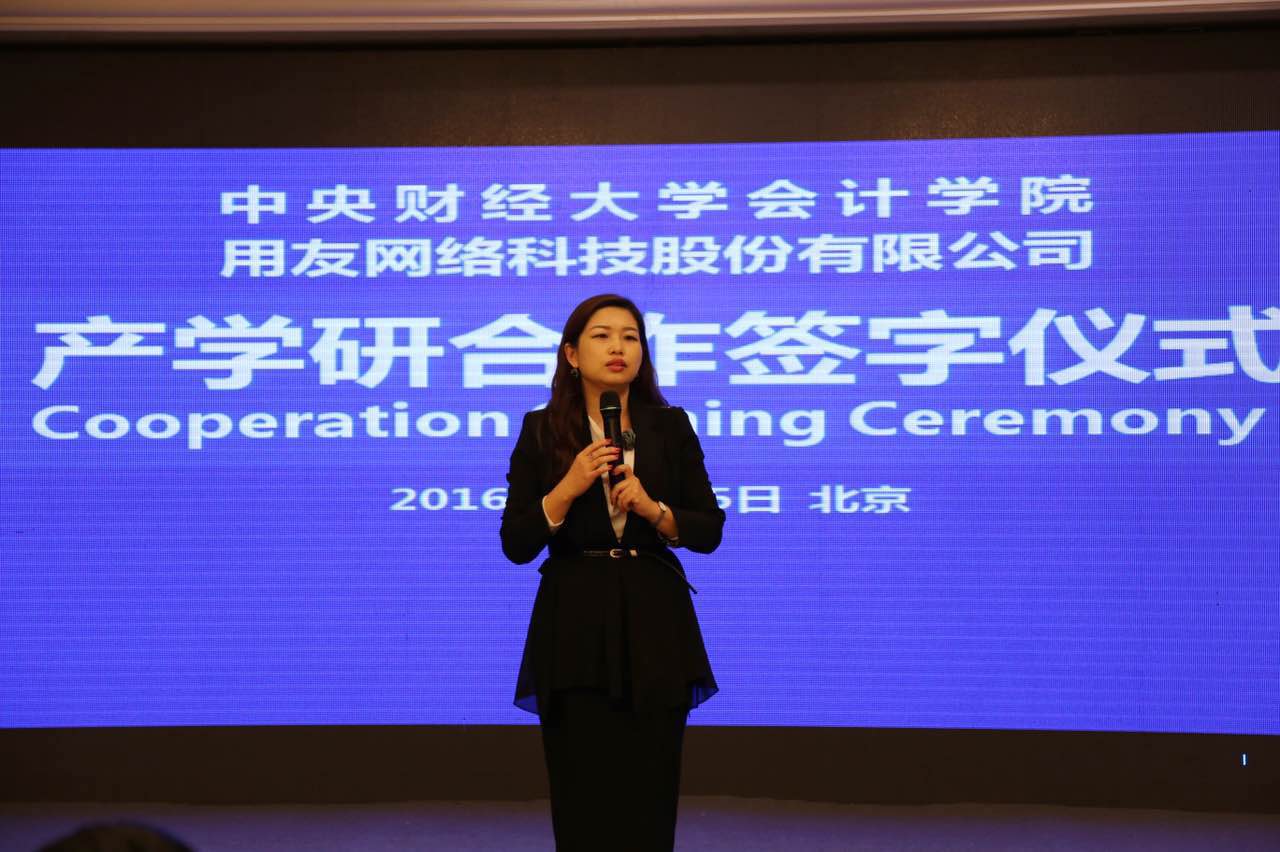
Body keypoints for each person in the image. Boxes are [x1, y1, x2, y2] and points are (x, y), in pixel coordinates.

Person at [500, 293, 724, 851]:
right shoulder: (541, 429)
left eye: (630, 337)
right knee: (582, 782)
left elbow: (709, 529)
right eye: (601, 336)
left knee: (650, 781)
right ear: (572, 355)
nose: (618, 347)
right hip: (573, 619)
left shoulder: (670, 426)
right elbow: (516, 543)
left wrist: (653, 509)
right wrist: (570, 485)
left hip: (655, 616)